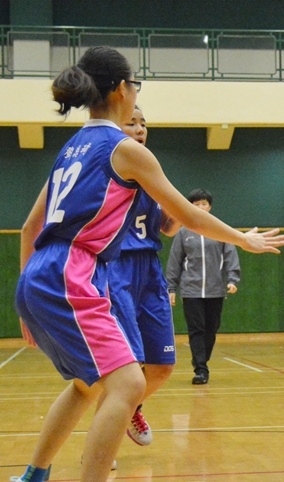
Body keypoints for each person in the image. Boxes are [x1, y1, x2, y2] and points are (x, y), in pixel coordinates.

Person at [2, 46, 284, 482]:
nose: (136, 95)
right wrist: (244, 239)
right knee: (129, 384)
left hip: (42, 275)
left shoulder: (72, 148)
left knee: (88, 383)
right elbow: (190, 214)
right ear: (121, 90)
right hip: (76, 270)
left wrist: (26, 303)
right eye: (136, 86)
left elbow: (30, 228)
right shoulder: (125, 148)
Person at [97, 105, 179, 449]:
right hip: (117, 267)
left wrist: (183, 210)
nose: (140, 128)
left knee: (162, 365)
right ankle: (102, 448)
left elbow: (168, 227)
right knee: (127, 367)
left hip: (150, 269)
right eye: (131, 122)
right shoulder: (107, 169)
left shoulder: (150, 173)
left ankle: (133, 407)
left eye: (144, 123)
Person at [166, 189, 241, 385]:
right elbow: (175, 262)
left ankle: (202, 361)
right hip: (191, 290)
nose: (200, 207)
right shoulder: (182, 233)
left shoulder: (220, 229)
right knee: (196, 329)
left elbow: (230, 254)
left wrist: (232, 279)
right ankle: (200, 369)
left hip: (215, 290)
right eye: (196, 204)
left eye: (204, 204)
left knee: (211, 329)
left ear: (210, 206)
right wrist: (171, 288)